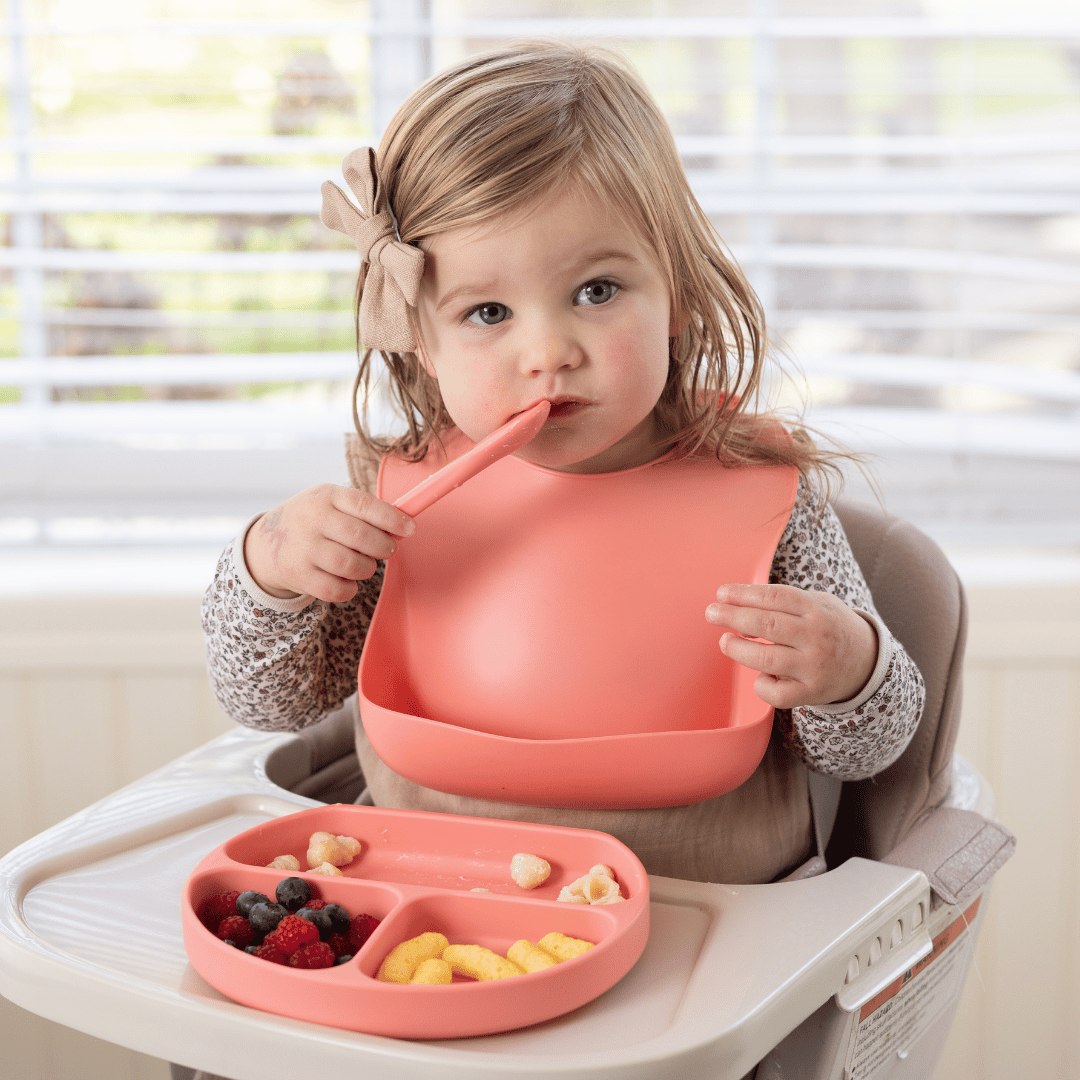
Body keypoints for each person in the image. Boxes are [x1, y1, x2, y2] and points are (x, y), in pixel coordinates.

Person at [202, 40, 924, 887]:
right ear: (420, 341)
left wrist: (849, 671)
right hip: (428, 923)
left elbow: (864, 751)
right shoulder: (401, 502)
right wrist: (273, 566)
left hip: (700, 932)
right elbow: (268, 705)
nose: (547, 352)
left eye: (596, 292)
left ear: (678, 295)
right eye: (488, 311)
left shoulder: (762, 500)